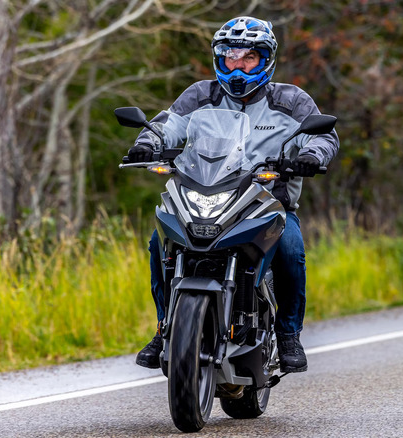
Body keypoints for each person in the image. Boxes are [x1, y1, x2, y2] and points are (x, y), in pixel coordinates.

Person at [127, 16, 339, 373]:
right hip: (201, 197)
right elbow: (167, 124)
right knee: (157, 243)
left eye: (248, 58)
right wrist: (147, 142)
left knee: (289, 250)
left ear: (266, 59)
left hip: (268, 204)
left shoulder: (290, 100)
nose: (237, 65)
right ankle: (166, 330)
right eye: (230, 57)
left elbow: (323, 136)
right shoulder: (200, 95)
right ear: (219, 59)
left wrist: (311, 155)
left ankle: (288, 333)